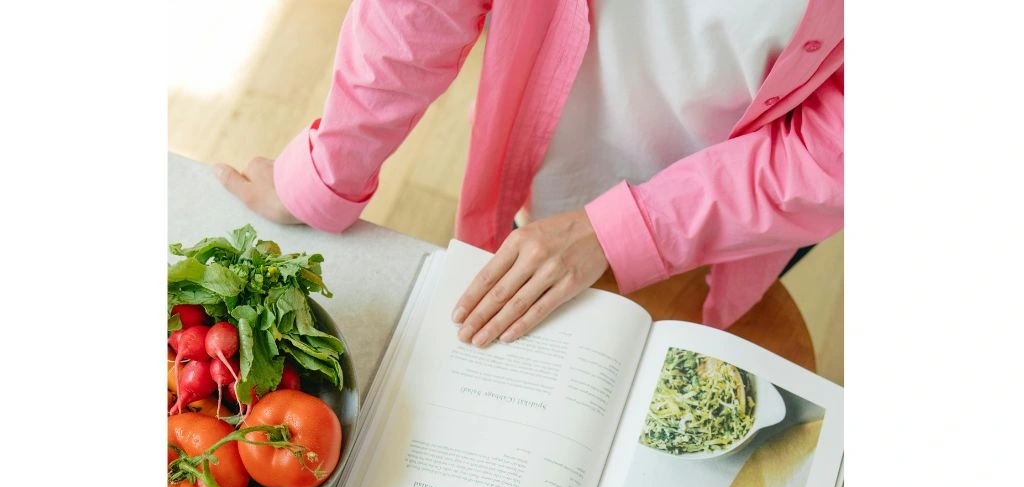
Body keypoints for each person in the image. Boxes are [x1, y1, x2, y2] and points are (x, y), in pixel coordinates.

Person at [216, 0, 843, 349]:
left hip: (746, 201)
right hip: (560, 139)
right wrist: (327, 172)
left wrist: (619, 232)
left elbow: (838, 149)